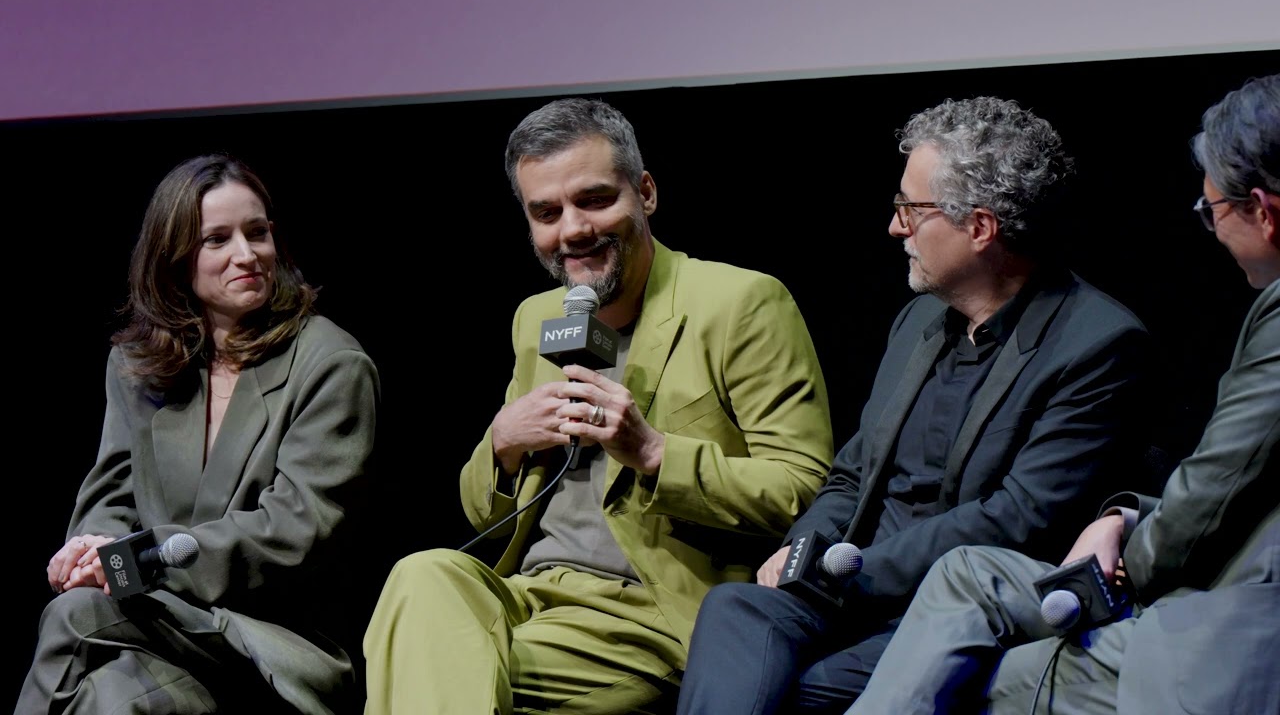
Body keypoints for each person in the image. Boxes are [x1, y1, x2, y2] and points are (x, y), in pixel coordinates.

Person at [676, 96, 1152, 715]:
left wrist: (854, 573)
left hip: (943, 608)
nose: (895, 227)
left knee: (805, 691)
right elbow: (853, 471)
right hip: (846, 583)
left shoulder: (1097, 343)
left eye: (911, 208)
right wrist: (804, 554)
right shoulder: (920, 319)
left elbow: (1016, 519)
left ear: (980, 228)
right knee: (736, 609)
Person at [362, 98, 834, 714]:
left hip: (647, 611)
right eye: (546, 212)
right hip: (527, 594)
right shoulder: (537, 318)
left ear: (646, 192)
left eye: (594, 200)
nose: (573, 230)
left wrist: (655, 452)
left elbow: (806, 489)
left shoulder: (740, 302)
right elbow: (485, 516)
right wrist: (503, 445)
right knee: (421, 574)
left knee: (431, 675)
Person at [846, 74, 1280, 715]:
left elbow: (1217, 487)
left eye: (1210, 210)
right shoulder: (916, 325)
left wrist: (1128, 556)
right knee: (966, 578)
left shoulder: (1106, 339)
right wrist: (1124, 515)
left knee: (988, 678)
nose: (1210, 230)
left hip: (1230, 613)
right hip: (1195, 569)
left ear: (1263, 212)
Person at [18, 154, 381, 713]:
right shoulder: (137, 367)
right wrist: (92, 547)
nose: (247, 255)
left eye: (256, 233)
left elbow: (295, 531)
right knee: (112, 701)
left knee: (73, 615)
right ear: (175, 258)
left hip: (271, 641)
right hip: (155, 625)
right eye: (218, 239)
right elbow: (111, 495)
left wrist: (138, 559)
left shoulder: (331, 362)